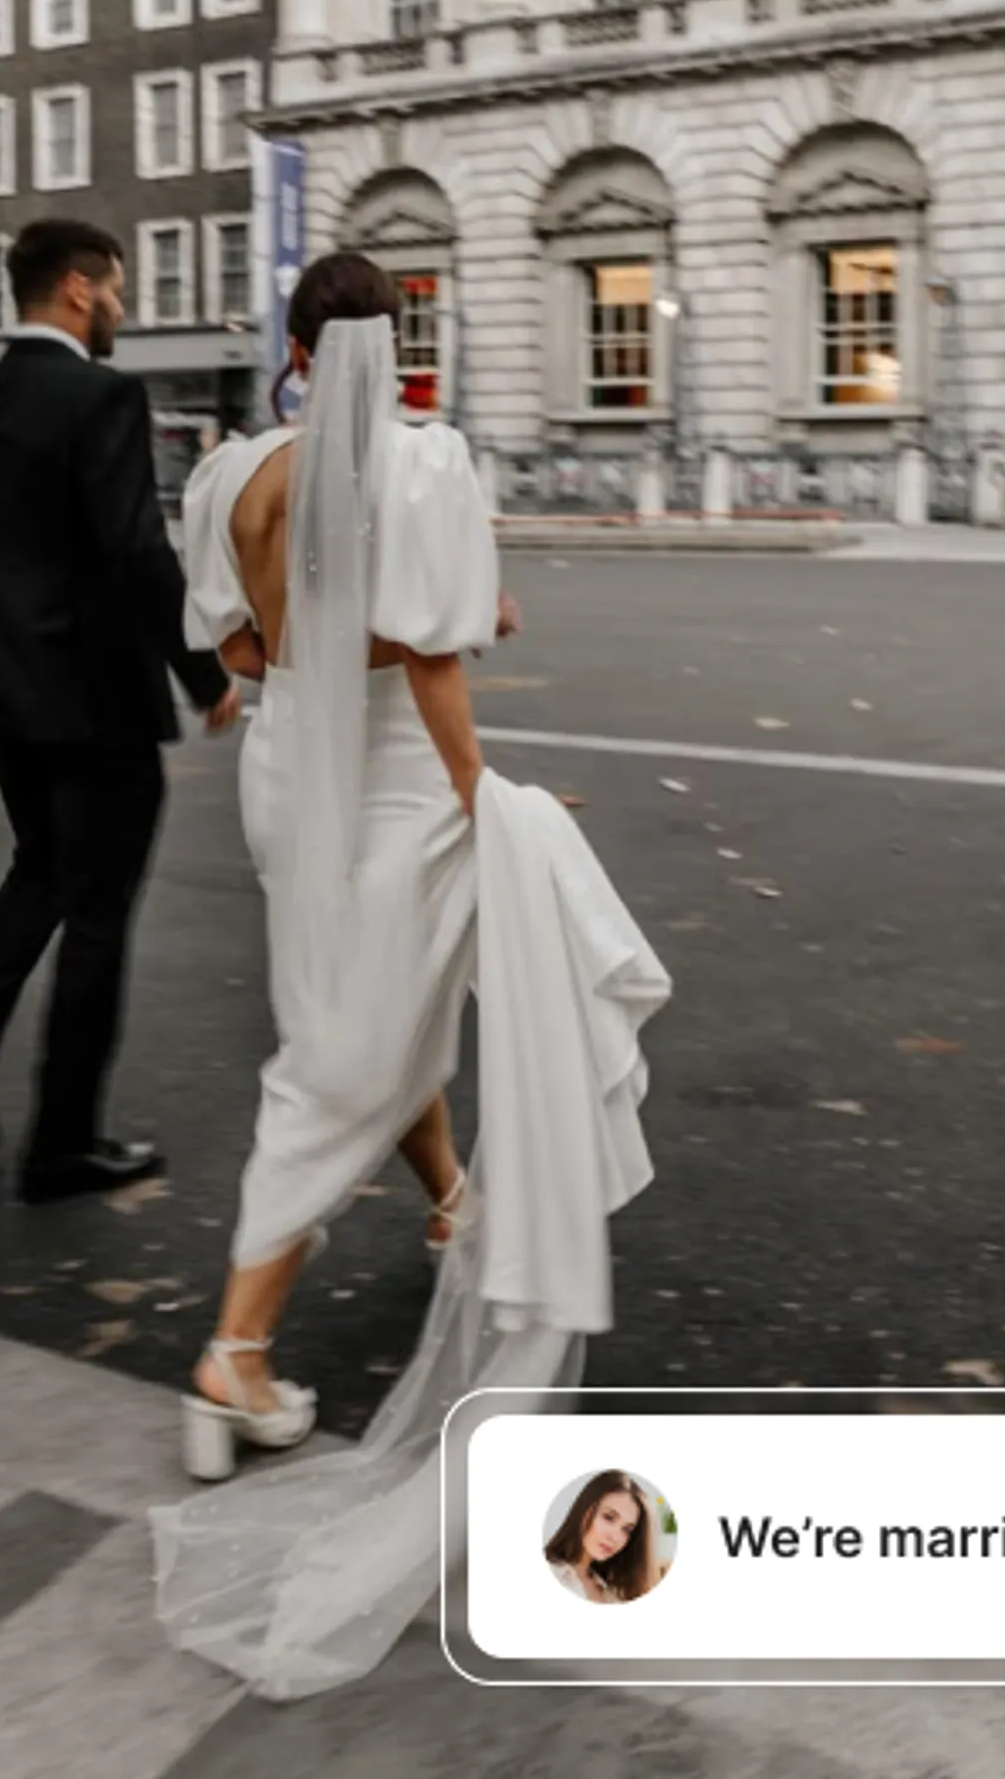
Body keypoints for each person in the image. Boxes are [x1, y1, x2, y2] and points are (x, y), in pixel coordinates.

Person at [150, 253, 670, 1701]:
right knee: (341, 1064)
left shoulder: (234, 470)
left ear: (300, 347)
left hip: (281, 770)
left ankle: (448, 1203)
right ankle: (235, 1352)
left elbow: (243, 644)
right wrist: (479, 795)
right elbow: (440, 656)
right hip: (389, 781)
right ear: (396, 342)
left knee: (358, 1013)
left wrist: (376, 649)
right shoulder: (425, 464)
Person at [0, 218, 241, 1205]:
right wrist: (205, 676)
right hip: (96, 696)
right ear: (81, 291)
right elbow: (138, 547)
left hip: (0, 688)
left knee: (39, 871)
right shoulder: (102, 397)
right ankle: (62, 1142)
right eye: (118, 290)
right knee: (98, 910)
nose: (123, 310)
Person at [544, 1470, 660, 1604]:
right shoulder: (553, 1573)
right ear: (584, 1512)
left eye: (627, 1530)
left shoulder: (615, 1591)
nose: (615, 1538)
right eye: (609, 1518)